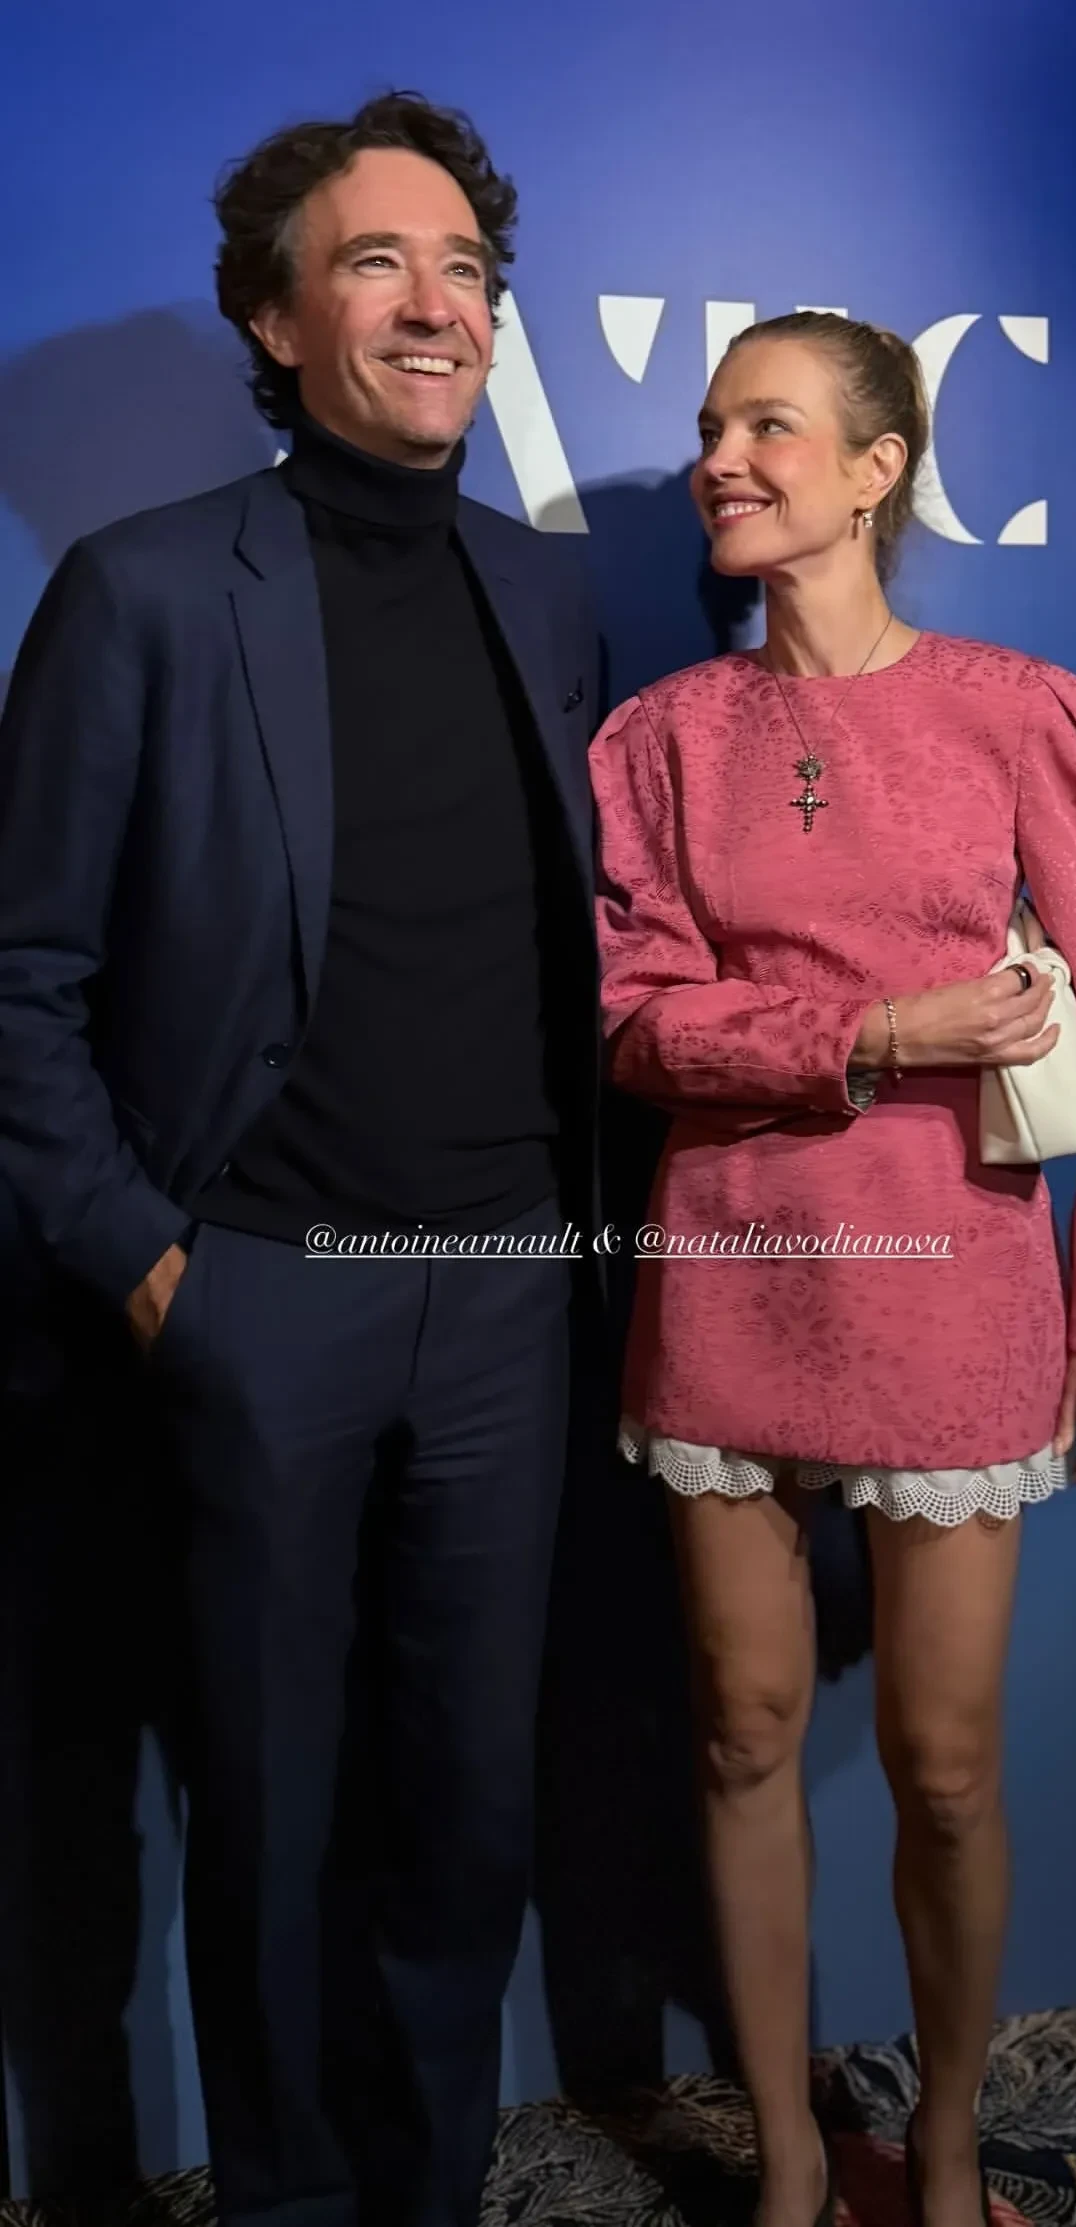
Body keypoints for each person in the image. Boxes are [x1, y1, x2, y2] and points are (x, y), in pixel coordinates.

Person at [0, 92, 600, 2227]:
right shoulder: (146, 593)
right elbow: (21, 979)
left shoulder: (549, 596)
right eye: (377, 263)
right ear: (276, 320)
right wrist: (156, 1264)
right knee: (266, 1816)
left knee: (465, 1822)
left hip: (510, 1302)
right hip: (260, 1294)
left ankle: (427, 2194)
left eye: (467, 269)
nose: (438, 305)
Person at [588, 312, 1076, 2227]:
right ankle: (787, 2157)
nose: (723, 458)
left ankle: (940, 2151)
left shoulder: (1024, 714)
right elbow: (635, 1022)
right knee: (742, 1730)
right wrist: (872, 1032)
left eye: (769, 425)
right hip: (729, 1273)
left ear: (877, 468)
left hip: (955, 1279)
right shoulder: (659, 739)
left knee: (944, 1767)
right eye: (711, 426)